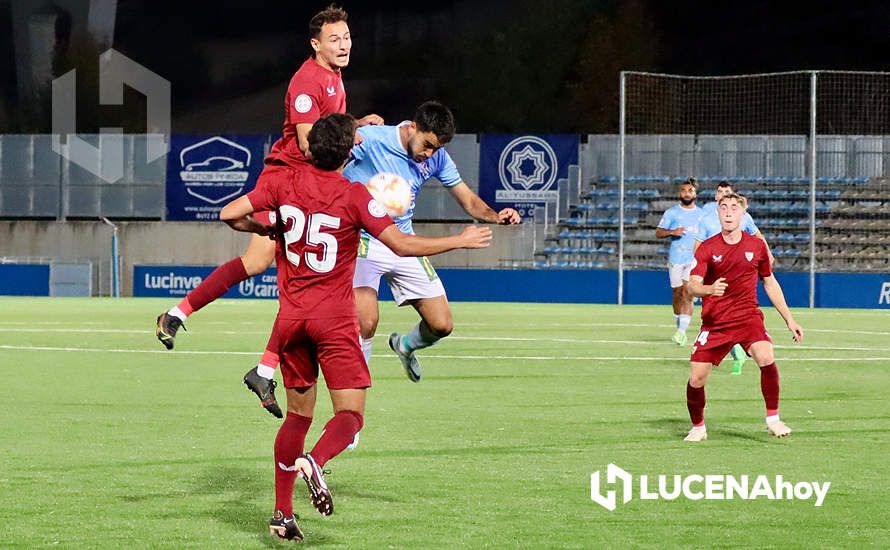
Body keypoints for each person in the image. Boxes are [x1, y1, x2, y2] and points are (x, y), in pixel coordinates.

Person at [219, 113, 493, 541]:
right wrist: (457, 240)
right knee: (349, 417)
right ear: (349, 154)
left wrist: (269, 229)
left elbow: (230, 214)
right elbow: (401, 244)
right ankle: (316, 460)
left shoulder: (282, 183)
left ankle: (281, 513)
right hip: (332, 321)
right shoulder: (353, 196)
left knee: (295, 419)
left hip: (291, 321)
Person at [155, 4, 382, 417]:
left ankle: (183, 315)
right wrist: (354, 135)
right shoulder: (306, 79)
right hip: (292, 178)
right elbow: (310, 141)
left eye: (346, 37)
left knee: (261, 265)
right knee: (296, 284)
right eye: (334, 39)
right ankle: (254, 363)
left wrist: (353, 122)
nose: (344, 44)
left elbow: (328, 124)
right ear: (316, 44)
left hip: (306, 184)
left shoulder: (333, 76)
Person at [344, 100, 521, 382]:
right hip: (362, 240)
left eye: (436, 148)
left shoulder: (437, 156)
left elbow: (468, 201)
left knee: (441, 324)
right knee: (365, 322)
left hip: (403, 240)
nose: (430, 154)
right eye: (427, 145)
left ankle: (405, 345)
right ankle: (353, 406)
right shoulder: (373, 139)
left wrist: (497, 216)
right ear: (413, 128)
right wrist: (354, 124)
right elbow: (323, 140)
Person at [682, 192, 803, 442]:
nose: (728, 212)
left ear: (743, 214)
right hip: (716, 323)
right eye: (723, 207)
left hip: (748, 318)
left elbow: (769, 282)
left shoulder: (756, 246)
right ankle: (698, 427)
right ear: (718, 213)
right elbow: (691, 286)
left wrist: (790, 320)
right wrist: (708, 289)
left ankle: (773, 419)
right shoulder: (707, 248)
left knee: (766, 356)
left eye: (734, 208)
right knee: (697, 377)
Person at [695, 181, 774, 375]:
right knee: (716, 313)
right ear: (716, 198)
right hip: (715, 275)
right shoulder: (706, 221)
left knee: (737, 314)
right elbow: (698, 247)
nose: (723, 194)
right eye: (720, 192)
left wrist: (768, 253)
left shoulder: (743, 217)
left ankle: (747, 344)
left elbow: (757, 236)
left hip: (737, 273)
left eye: (727, 192)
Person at [655, 177, 703, 346]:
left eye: (690, 190)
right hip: (676, 258)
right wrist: (671, 232)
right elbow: (658, 232)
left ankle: (681, 332)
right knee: (677, 294)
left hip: (694, 260)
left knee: (687, 292)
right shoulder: (672, 213)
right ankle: (680, 325)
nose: (687, 193)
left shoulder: (702, 214)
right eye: (683, 190)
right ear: (679, 193)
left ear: (695, 193)